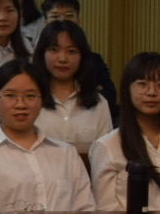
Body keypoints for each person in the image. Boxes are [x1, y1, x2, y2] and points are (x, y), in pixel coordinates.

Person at [0, 60, 93, 212]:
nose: (21, 104)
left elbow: (85, 211)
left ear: (42, 100)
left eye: (30, 95)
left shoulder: (67, 154)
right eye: (10, 95)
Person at [90, 52, 160, 211]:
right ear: (127, 89)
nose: (152, 92)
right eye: (142, 84)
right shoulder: (108, 146)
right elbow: (106, 213)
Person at [31, 20, 113, 157]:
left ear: (82, 57)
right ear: (42, 54)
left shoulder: (99, 104)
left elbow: (106, 158)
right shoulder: (29, 100)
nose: (63, 59)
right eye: (54, 50)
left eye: (71, 51)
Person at [37, 0, 117, 117]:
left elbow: (109, 95)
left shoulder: (94, 60)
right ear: (46, 22)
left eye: (69, 15)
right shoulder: (36, 61)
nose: (62, 20)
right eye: (55, 16)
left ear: (78, 20)